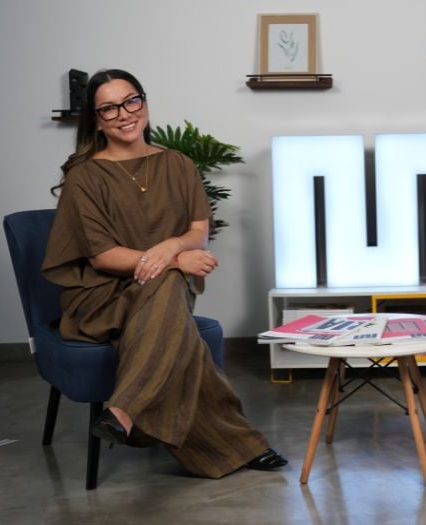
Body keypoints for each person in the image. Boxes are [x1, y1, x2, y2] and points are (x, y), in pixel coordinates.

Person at [42, 68, 287, 477]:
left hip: (159, 293)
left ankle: (124, 412)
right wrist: (176, 262)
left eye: (130, 101)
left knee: (167, 288)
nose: (124, 114)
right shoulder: (86, 176)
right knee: (175, 300)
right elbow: (101, 257)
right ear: (97, 120)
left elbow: (198, 232)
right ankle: (232, 442)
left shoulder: (178, 163)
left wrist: (172, 247)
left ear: (145, 103)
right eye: (109, 108)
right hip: (103, 296)